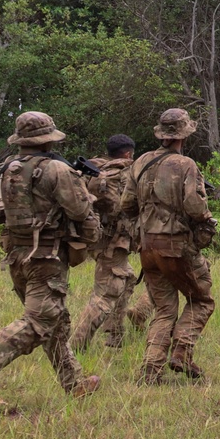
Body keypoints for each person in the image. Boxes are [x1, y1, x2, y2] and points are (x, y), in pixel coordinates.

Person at [0, 111, 102, 411]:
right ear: (48, 141)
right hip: (46, 257)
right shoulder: (57, 169)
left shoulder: (2, 170)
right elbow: (79, 211)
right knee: (40, 321)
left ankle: (74, 383)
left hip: (17, 256)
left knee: (54, 322)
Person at [121, 108, 216, 384]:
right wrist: (206, 222)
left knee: (164, 310)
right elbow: (195, 206)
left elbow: (126, 204)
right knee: (201, 300)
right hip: (176, 247)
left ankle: (151, 371)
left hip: (147, 247)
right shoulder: (185, 165)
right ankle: (182, 352)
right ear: (184, 135)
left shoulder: (140, 162)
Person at [70, 134, 139, 351]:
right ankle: (76, 345)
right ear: (128, 153)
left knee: (128, 279)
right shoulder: (125, 172)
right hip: (113, 241)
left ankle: (115, 334)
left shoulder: (95, 169)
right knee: (106, 293)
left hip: (96, 236)